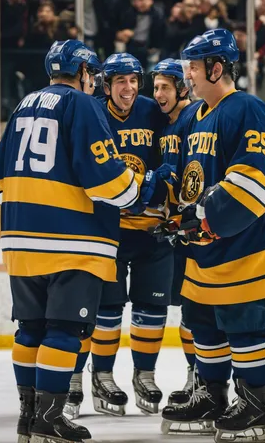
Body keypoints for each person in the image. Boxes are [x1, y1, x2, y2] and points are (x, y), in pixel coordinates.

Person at [0, 40, 143, 443]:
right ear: (82, 73)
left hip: (20, 238)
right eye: (92, 75)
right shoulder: (81, 105)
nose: (94, 81)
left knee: (30, 328)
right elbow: (105, 178)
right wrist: (137, 191)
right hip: (71, 239)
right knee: (64, 330)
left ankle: (28, 420)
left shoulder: (23, 104)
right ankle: (49, 420)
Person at [149, 29, 265, 441]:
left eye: (193, 66)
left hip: (243, 241)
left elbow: (255, 180)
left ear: (218, 67)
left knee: (241, 323)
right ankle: (212, 395)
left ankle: (257, 405)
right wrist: (172, 208)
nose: (187, 74)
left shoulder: (247, 109)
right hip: (203, 247)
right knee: (200, 320)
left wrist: (207, 215)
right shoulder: (192, 116)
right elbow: (185, 177)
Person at [65, 53, 175, 419]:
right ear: (106, 85)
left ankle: (145, 374)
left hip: (152, 230)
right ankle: (101, 376)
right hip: (107, 232)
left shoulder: (153, 112)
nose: (128, 89)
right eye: (120, 82)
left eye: (133, 81)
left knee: (152, 308)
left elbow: (171, 150)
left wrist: (163, 181)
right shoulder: (91, 112)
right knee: (105, 310)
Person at [151, 58, 198, 404]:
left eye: (165, 86)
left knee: (201, 309)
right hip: (178, 231)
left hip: (200, 228)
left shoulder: (196, 118)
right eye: (155, 87)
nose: (158, 94)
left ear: (182, 87)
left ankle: (208, 378)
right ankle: (197, 374)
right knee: (188, 309)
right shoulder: (164, 125)